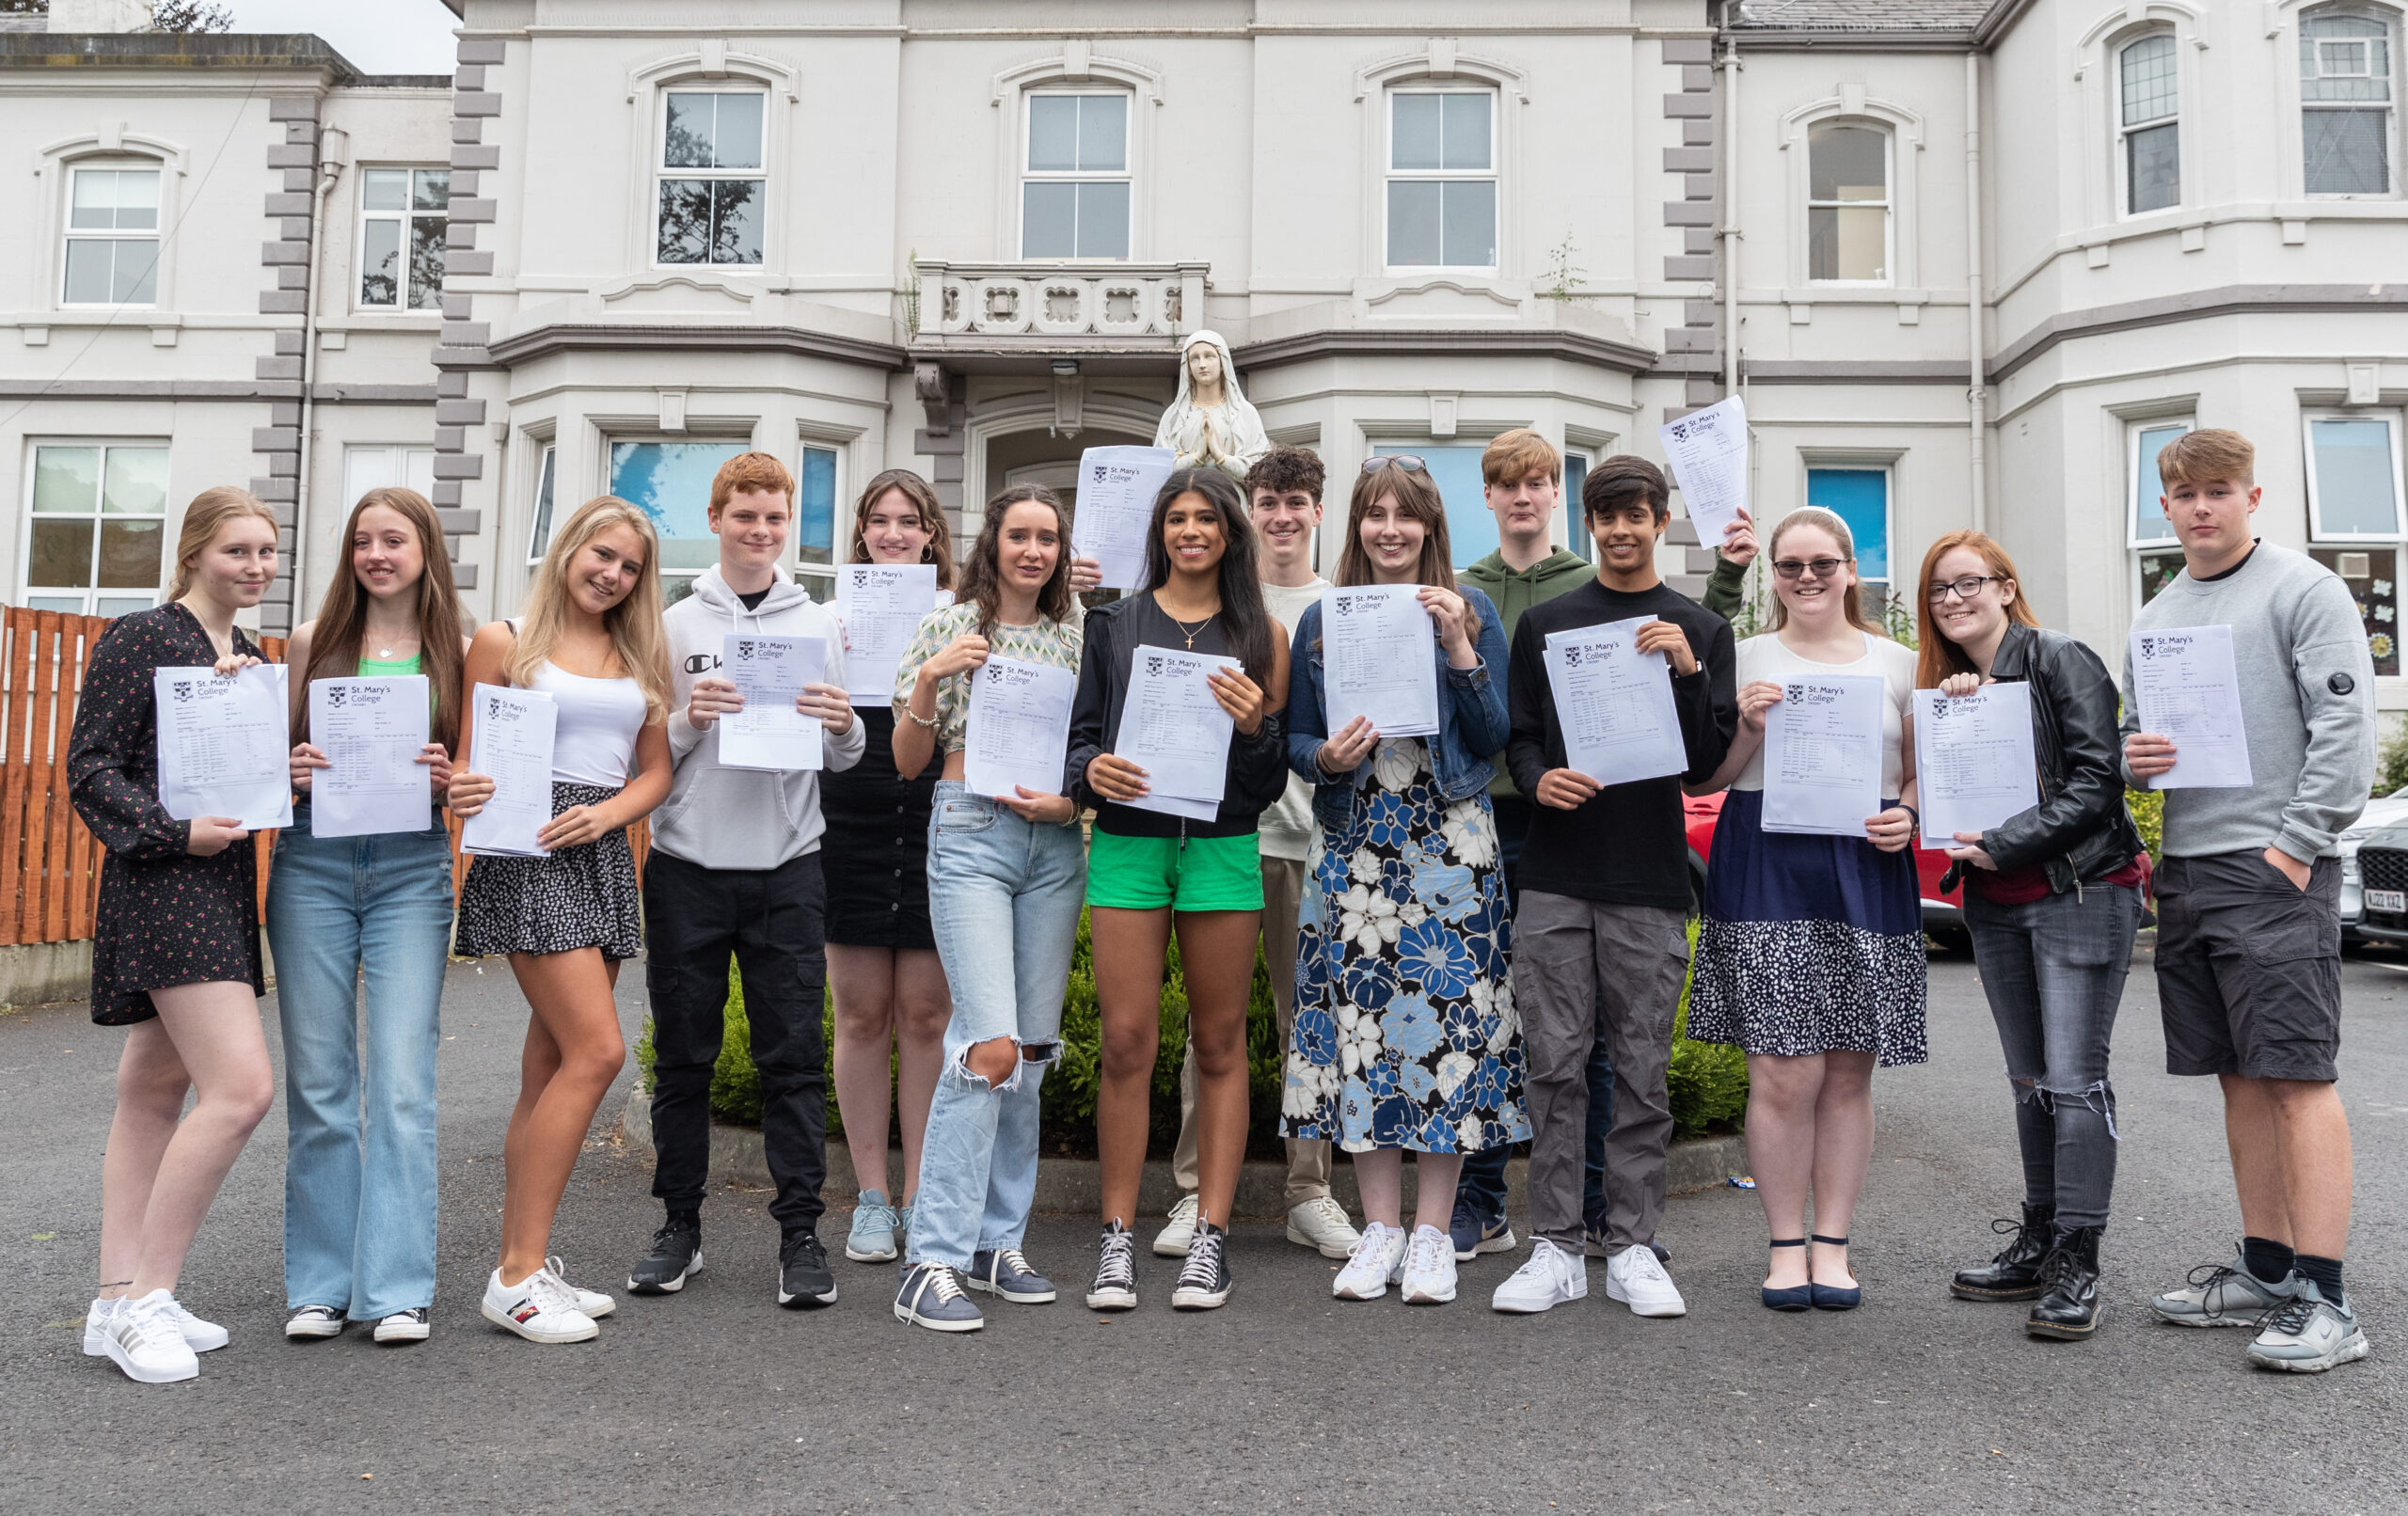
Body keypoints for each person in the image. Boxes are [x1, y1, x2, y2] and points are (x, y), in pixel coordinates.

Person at [2120, 429, 2376, 1374]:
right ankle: (2267, 1270)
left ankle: (2329, 1301)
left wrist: (2295, 845)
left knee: (2295, 1075)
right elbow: (2133, 736)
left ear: (2251, 497)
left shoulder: (2301, 590)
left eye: (2217, 490)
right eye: (2183, 493)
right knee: (2236, 1072)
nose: (2199, 508)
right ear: (2164, 505)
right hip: (2189, 863)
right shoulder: (2157, 614)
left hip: (2273, 866)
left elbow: (2346, 724)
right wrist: (2130, 755)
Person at [1490, 456, 1737, 1318]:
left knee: (1638, 1069)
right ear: (1589, 522)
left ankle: (1632, 1244)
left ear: (1662, 520)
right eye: (1608, 515)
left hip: (1648, 878)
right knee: (1553, 1065)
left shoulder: (1699, 628)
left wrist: (1689, 675)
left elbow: (1707, 764)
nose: (1623, 529)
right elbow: (1517, 738)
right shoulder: (1549, 624)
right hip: (1556, 875)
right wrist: (1538, 779)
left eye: (1638, 515)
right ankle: (1554, 1244)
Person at [1282, 455, 1529, 1306]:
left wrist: (1459, 644)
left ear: (1430, 526)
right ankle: (1379, 1230)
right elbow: (1295, 740)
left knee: (1450, 1032)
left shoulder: (1474, 608)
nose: (1390, 530)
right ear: (1356, 526)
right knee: (1363, 1035)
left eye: (1407, 515)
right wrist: (1323, 756)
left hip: (1450, 845)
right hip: (1356, 845)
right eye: (1375, 515)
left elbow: (1495, 733)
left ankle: (1433, 1235)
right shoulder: (1321, 618)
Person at [625, 453, 863, 1310]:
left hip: (790, 865)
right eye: (744, 517)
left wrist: (841, 728)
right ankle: (678, 1227)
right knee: (685, 1060)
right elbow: (647, 753)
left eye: (774, 520)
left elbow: (846, 751)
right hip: (689, 865)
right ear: (717, 519)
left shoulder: (821, 624)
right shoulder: (674, 623)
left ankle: (801, 1236)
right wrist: (694, 718)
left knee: (792, 1062)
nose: (759, 533)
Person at [1687, 506, 1925, 1312]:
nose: (1808, 579)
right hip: (1766, 862)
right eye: (1790, 566)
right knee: (1784, 1073)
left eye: (1823, 564)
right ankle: (1785, 1244)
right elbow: (1705, 781)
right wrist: (1749, 727)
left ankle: (1834, 1244)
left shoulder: (1903, 663)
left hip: (1865, 864)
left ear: (1851, 569)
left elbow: (1927, 772)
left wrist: (1911, 813)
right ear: (1773, 576)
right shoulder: (1744, 654)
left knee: (1850, 1070)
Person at [69, 487, 283, 1383]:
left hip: (222, 883)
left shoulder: (252, 653)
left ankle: (115, 1297)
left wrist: (291, 768)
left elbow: (250, 777)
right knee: (240, 1091)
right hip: (167, 882)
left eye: (268, 552)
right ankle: (145, 1299)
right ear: (195, 552)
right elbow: (90, 768)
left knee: (154, 1089)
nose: (256, 567)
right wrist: (170, 831)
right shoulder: (143, 636)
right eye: (238, 551)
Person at [449, 495, 673, 1344]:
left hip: (601, 849)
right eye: (602, 555)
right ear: (570, 547)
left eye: (629, 567)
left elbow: (655, 773)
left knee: (548, 1068)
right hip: (530, 844)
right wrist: (464, 786)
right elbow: (471, 754)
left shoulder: (636, 651)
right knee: (599, 1050)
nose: (611, 574)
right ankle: (513, 1279)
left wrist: (611, 815)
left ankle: (525, 1261)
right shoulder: (506, 640)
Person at [1918, 531, 2148, 1340]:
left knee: (2075, 1078)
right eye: (1938, 589)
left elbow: (2097, 779)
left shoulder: (2057, 656)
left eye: (1969, 583)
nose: (1953, 599)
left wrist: (2006, 843)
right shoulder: (1958, 687)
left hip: (2079, 890)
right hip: (1995, 899)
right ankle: (2041, 1238)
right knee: (2028, 1081)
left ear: (2006, 588)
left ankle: (2079, 1260)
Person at [1072, 469, 1291, 1312]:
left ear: (1230, 532)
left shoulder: (1260, 633)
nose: (1191, 531)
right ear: (1159, 529)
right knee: (1126, 1040)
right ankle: (1117, 1238)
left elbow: (1269, 780)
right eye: (1177, 518)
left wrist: (1255, 726)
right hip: (1129, 845)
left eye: (1207, 518)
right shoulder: (1114, 624)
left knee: (1220, 1042)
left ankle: (1211, 1236)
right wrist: (1090, 770)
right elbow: (1080, 742)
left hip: (1222, 844)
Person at [268, 487, 467, 1346]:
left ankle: (394, 1289)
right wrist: (294, 769)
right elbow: (263, 773)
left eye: (393, 540)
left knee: (399, 1082)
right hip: (310, 862)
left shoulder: (456, 652)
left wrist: (447, 776)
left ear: (425, 549)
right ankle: (320, 1285)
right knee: (319, 1084)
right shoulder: (314, 644)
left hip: (411, 870)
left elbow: (476, 776)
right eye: (362, 542)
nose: (377, 554)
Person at [888, 484, 1088, 1333]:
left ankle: (996, 1242)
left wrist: (1073, 805)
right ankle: (930, 1260)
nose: (1033, 551)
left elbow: (1095, 752)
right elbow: (905, 761)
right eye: (1019, 536)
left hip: (1054, 845)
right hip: (970, 829)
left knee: (1032, 1053)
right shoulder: (948, 623)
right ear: (993, 543)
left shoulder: (1081, 637)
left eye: (1047, 538)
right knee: (987, 1047)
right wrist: (932, 679)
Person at [1154, 445, 1361, 1264]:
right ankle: (1191, 1191)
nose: (1281, 516)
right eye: (1268, 502)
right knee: (1215, 1025)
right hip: (1226, 836)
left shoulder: (1344, 608)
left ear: (1317, 511)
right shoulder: (1216, 599)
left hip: (1323, 839)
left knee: (1307, 1022)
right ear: (1251, 513)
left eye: (1296, 502)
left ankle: (1309, 1192)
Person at [1452, 427, 1613, 1264]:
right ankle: (1480, 1202)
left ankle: (1590, 1202)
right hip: (1479, 823)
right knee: (1485, 1020)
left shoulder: (1594, 584)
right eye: (1507, 485)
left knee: (1579, 1029)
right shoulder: (1458, 589)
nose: (1522, 497)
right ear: (1488, 498)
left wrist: (1729, 571)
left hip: (1570, 821)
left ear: (1558, 493)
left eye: (1538, 483)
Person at [823, 469, 958, 1266]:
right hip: (850, 809)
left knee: (927, 1016)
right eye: (881, 521)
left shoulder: (957, 616)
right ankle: (872, 1197)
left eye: (910, 522)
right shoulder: (832, 616)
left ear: (932, 534)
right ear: (863, 533)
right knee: (863, 1013)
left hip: (936, 810)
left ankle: (921, 1195)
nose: (896, 534)